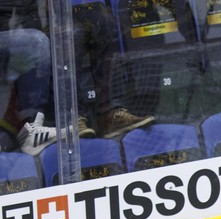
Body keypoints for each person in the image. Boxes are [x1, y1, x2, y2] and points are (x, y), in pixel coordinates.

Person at [71, 0, 155, 138]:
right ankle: (73, 119)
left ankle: (110, 115)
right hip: (63, 15)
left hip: (94, 11)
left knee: (107, 24)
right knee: (70, 36)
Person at [0, 0, 57, 154]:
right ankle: (31, 126)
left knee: (63, 38)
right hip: (10, 33)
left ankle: (32, 125)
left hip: (19, 32)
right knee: (37, 42)